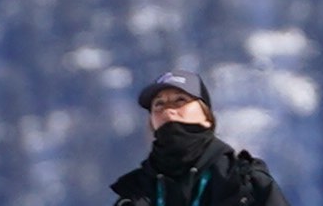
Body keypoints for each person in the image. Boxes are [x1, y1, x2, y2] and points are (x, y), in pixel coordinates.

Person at [113, 76, 280, 206]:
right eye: (158, 104)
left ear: (207, 117)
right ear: (152, 123)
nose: (168, 109)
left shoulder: (245, 182)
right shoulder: (135, 191)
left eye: (180, 100)